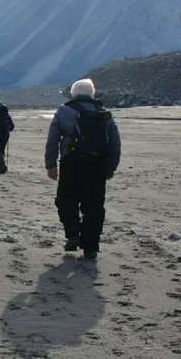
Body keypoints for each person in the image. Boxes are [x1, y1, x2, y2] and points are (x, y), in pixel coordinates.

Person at [45, 78, 121, 261]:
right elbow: (115, 143)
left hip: (71, 164)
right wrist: (111, 167)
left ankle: (73, 234)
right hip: (97, 166)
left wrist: (51, 165)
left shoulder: (64, 111)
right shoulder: (104, 114)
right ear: (92, 93)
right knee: (94, 207)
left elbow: (52, 140)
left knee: (66, 200)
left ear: (73, 93)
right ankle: (91, 248)